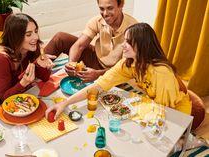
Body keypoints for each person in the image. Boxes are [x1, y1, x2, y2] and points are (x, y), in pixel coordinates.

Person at [45, 23, 192, 120]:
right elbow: (97, 86)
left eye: (128, 42)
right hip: (156, 105)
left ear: (142, 46)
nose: (123, 45)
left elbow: (165, 111)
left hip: (177, 113)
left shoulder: (161, 73)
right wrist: (65, 103)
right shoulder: (129, 64)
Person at [0, 13, 55, 120]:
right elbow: (5, 98)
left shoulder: (32, 46)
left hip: (16, 97)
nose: (35, 37)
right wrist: (24, 83)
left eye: (35, 31)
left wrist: (40, 65)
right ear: (16, 36)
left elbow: (44, 78)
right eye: (28, 34)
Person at [44, 0, 138, 82]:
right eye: (101, 9)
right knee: (60, 38)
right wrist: (71, 64)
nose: (105, 13)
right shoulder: (97, 21)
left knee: (122, 74)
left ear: (121, 5)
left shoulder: (134, 29)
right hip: (97, 60)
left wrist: (98, 75)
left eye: (110, 8)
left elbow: (126, 67)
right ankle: (36, 71)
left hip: (116, 70)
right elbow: (79, 45)